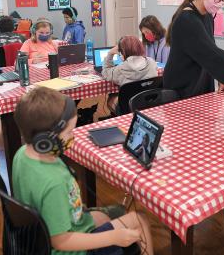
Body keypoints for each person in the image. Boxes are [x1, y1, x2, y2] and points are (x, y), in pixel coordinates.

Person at [12, 86, 154, 255]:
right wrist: (113, 237)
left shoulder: (22, 154)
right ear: (45, 141)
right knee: (140, 219)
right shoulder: (54, 183)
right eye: (69, 132)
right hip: (72, 249)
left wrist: (87, 216)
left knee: (110, 214)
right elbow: (61, 241)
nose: (73, 136)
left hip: (58, 228)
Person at [102, 36, 158, 113]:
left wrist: (110, 54)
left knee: (111, 98)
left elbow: (105, 73)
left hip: (128, 107)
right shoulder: (152, 62)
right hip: (150, 103)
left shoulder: (120, 69)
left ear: (123, 52)